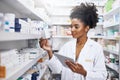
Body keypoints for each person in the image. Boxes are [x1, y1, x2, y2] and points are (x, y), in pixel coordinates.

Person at [40, 3, 107, 80]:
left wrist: (84, 73)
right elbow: (57, 70)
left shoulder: (96, 48)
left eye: (76, 27)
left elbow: (102, 76)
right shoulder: (66, 46)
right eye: (71, 26)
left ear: (86, 28)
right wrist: (49, 51)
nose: (72, 29)